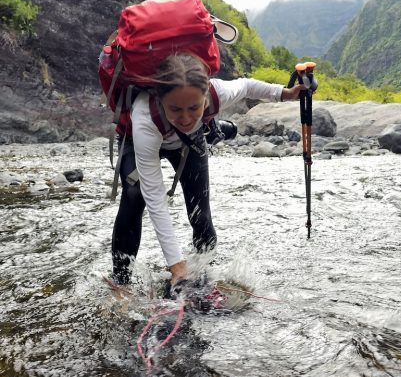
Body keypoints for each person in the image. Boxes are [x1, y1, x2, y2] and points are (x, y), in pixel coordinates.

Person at [111, 52, 304, 291]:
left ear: (206, 98)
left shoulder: (217, 92)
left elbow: (246, 86)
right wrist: (177, 266)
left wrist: (285, 93)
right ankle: (120, 285)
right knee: (133, 199)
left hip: (189, 142)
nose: (185, 118)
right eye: (176, 109)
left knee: (200, 213)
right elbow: (156, 199)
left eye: (194, 108)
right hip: (137, 141)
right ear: (160, 100)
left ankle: (202, 276)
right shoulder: (144, 119)